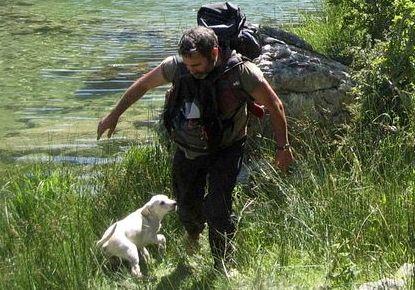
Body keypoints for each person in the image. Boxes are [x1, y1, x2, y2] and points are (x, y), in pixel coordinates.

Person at [97, 25, 294, 276]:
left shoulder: (241, 71)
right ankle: (193, 235)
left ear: (214, 52)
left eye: (197, 65)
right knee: (187, 207)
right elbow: (143, 86)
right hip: (188, 149)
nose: (192, 71)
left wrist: (283, 147)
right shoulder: (176, 66)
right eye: (188, 66)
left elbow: (275, 104)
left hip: (226, 148)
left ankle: (223, 265)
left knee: (219, 209)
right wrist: (113, 115)